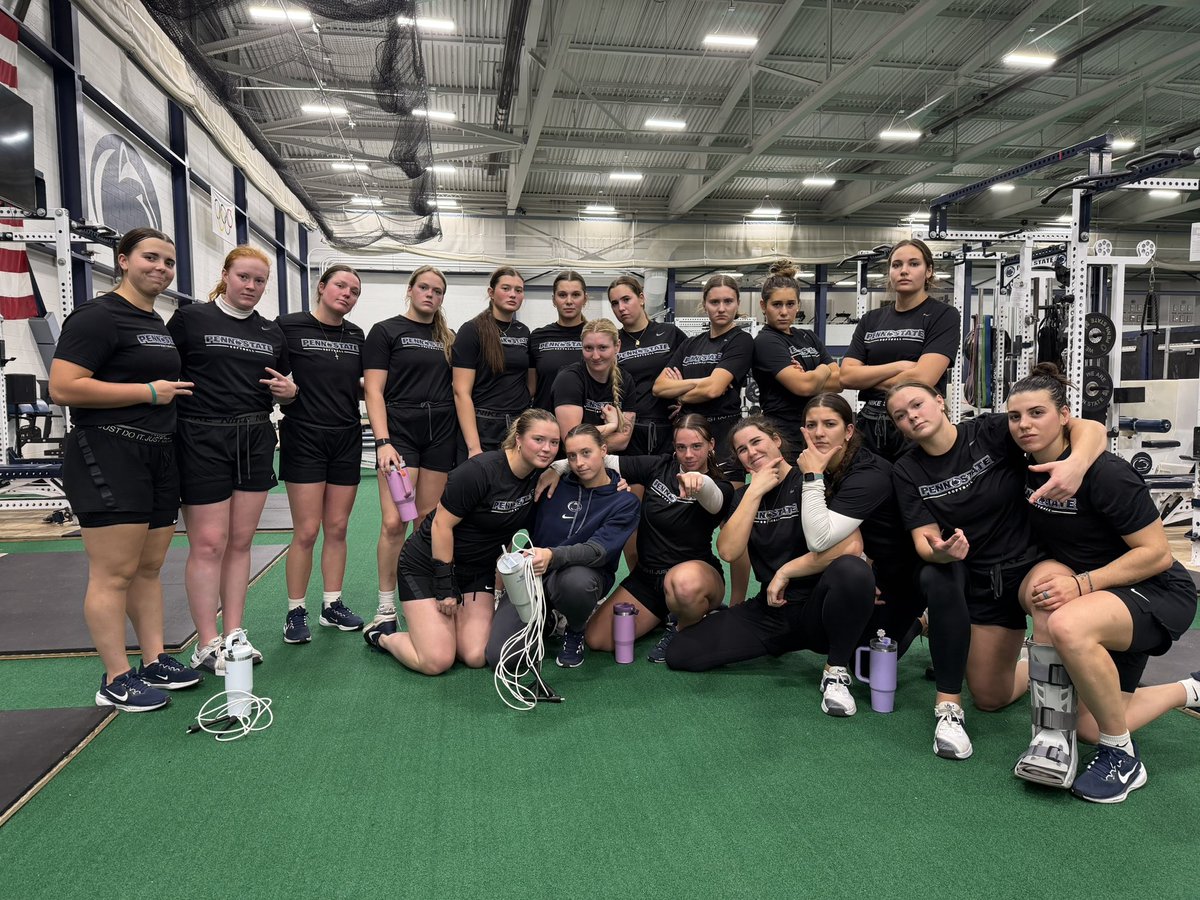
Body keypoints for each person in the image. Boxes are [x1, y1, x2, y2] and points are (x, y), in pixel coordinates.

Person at [1007, 364, 1198, 803]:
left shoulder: (1107, 474)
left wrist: (1083, 584)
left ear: (1064, 416)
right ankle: (1189, 689)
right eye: (1016, 417)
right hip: (1103, 597)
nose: (1024, 425)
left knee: (1067, 621)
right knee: (1090, 725)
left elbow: (1156, 554)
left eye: (1037, 413)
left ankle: (1123, 757)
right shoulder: (1025, 465)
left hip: (1155, 590)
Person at [887, 380, 1107, 760]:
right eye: (900, 416)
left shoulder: (988, 431)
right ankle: (1032, 662)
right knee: (989, 697)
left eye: (917, 404)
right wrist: (942, 553)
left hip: (1030, 563)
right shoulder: (907, 470)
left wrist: (1076, 464)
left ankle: (1052, 736)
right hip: (981, 583)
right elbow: (924, 541)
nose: (912, 417)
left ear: (940, 402)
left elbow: (1090, 428)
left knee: (1048, 597)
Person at [49, 227, 203, 711]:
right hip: (108, 451)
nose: (160, 268)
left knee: (150, 567)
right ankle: (115, 676)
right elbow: (64, 386)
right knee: (114, 572)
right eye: (150, 258)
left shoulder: (156, 320)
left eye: (168, 262)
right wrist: (146, 392)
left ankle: (154, 658)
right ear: (123, 261)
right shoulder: (97, 316)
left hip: (158, 452)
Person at [666, 416, 877, 718]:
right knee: (681, 653)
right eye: (741, 450)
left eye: (756, 442)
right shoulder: (743, 496)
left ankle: (836, 670)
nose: (750, 453)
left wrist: (785, 571)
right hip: (772, 610)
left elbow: (851, 546)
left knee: (854, 571)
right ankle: (781, 643)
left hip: (820, 607)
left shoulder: (812, 480)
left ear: (776, 441)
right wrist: (755, 491)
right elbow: (728, 550)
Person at [169, 246, 294, 672]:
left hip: (255, 435)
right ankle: (207, 642)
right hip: (201, 434)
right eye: (244, 277)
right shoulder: (191, 319)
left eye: (260, 281)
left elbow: (285, 382)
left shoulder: (271, 332)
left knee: (241, 542)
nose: (251, 286)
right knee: (208, 543)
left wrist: (289, 394)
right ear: (226, 275)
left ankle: (234, 632)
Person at [364, 409, 561, 674]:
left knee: (475, 655)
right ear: (518, 439)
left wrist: (561, 467)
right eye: (539, 439)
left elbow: (587, 454)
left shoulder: (539, 475)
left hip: (476, 572)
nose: (547, 448)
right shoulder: (479, 471)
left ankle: (442, 630)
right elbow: (440, 525)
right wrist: (444, 586)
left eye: (554, 443)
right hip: (427, 565)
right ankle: (382, 637)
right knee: (437, 661)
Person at [568, 414, 736, 662]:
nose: (688, 454)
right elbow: (600, 460)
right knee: (598, 639)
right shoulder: (660, 466)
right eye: (681, 447)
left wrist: (700, 482)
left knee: (682, 583)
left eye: (696, 446)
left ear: (711, 445)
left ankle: (682, 625)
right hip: (648, 578)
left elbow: (714, 502)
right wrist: (555, 469)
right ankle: (668, 612)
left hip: (695, 576)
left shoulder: (721, 486)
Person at [485, 424, 641, 669]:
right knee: (502, 658)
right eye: (571, 456)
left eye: (586, 453)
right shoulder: (550, 484)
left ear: (603, 450)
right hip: (533, 573)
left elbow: (597, 551)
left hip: (583, 575)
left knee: (576, 583)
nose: (579, 463)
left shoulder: (624, 500)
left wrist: (552, 555)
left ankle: (575, 628)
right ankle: (547, 618)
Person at [276, 265, 367, 644]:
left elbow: (362, 385)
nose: (347, 293)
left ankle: (332, 604)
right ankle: (296, 610)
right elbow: (270, 378)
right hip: (305, 435)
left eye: (354, 290)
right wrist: (285, 393)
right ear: (321, 287)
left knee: (338, 527)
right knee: (308, 530)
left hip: (346, 435)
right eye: (341, 285)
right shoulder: (288, 326)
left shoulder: (357, 335)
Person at [363, 265, 456, 631]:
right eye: (424, 287)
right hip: (400, 432)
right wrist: (382, 441)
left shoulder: (448, 337)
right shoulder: (386, 331)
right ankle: (386, 605)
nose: (430, 294)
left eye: (437, 290)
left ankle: (422, 594)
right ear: (410, 289)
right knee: (393, 523)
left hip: (440, 433)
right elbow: (373, 391)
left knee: (428, 521)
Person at [841, 239, 960, 461]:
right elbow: (846, 376)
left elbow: (924, 378)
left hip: (917, 423)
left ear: (929, 271)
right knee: (871, 490)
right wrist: (900, 367)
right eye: (896, 265)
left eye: (914, 264)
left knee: (914, 490)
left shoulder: (943, 315)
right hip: (870, 424)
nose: (904, 271)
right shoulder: (871, 319)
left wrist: (865, 378)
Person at [652, 274, 754, 473]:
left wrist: (680, 394)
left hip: (723, 436)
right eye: (714, 302)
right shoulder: (690, 344)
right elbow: (659, 387)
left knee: (724, 497)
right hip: (688, 439)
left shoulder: (741, 341)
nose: (721, 308)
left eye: (728, 301)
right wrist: (703, 382)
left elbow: (713, 390)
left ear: (738, 303)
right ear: (705, 304)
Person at [752, 260, 840, 455]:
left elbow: (839, 382)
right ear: (763, 306)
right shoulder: (766, 342)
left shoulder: (808, 336)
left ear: (798, 305)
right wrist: (822, 369)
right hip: (785, 437)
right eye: (777, 304)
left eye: (790, 304)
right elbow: (804, 386)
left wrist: (809, 376)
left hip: (816, 432)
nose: (784, 312)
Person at [452, 266, 531, 459]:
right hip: (483, 425)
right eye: (506, 288)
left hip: (517, 424)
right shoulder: (471, 330)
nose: (513, 294)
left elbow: (529, 382)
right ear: (491, 293)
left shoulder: (523, 331)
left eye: (518, 290)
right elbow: (461, 391)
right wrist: (473, 447)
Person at [608, 275, 686, 457]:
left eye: (626, 299)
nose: (621, 308)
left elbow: (694, 365)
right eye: (614, 303)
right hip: (629, 431)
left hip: (667, 429)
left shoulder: (669, 333)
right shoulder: (612, 342)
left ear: (641, 298)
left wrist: (688, 401)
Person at [551, 318, 636, 451]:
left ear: (617, 346)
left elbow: (622, 441)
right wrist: (611, 426)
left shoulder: (625, 380)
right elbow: (571, 440)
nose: (595, 356)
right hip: (573, 463)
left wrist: (586, 440)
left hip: (611, 461)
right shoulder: (569, 379)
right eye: (589, 348)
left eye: (603, 348)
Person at [529, 271, 587, 413]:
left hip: (585, 427)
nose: (569, 301)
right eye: (562, 295)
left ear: (585, 299)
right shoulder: (538, 337)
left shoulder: (596, 336)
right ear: (554, 300)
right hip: (544, 424)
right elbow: (531, 388)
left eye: (575, 295)